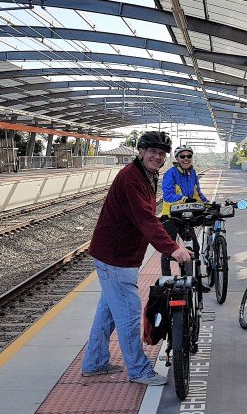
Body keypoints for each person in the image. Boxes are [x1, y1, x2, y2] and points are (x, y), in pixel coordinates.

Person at [82, 131, 192, 386]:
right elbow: (145, 218)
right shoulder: (132, 178)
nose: (157, 156)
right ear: (140, 152)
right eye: (152, 151)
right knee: (129, 316)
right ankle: (139, 371)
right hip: (116, 259)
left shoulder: (147, 175)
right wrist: (172, 248)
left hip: (118, 255)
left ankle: (94, 363)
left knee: (107, 313)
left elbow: (147, 218)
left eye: (161, 153)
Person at [160, 144, 210, 279]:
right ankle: (167, 279)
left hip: (187, 216)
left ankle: (195, 279)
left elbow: (197, 193)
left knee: (195, 247)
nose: (186, 158)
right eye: (182, 156)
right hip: (170, 216)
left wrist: (208, 204)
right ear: (177, 158)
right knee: (168, 250)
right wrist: (184, 199)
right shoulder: (170, 173)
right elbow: (167, 195)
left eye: (189, 156)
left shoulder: (192, 173)